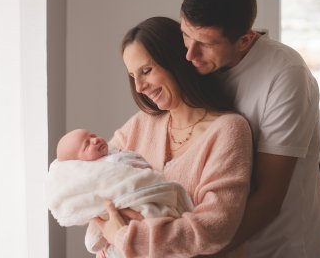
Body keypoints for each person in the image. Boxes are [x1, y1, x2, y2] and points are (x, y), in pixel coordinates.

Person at [179, 0, 320, 257]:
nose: (190, 54)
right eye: (186, 34)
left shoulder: (284, 75)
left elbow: (268, 199)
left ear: (245, 40)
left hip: (277, 247)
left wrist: (194, 252)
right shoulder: (194, 64)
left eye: (207, 44)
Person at [92, 16, 253, 257]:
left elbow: (215, 227)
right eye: (133, 76)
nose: (139, 87)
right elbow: (95, 184)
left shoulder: (228, 130)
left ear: (176, 61)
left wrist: (124, 237)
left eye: (146, 71)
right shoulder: (142, 123)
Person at [47, 128, 194, 257]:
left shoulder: (115, 152)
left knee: (158, 217)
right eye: (87, 145)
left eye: (93, 135)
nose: (95, 140)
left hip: (149, 195)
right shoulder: (95, 173)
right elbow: (101, 207)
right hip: (127, 203)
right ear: (79, 164)